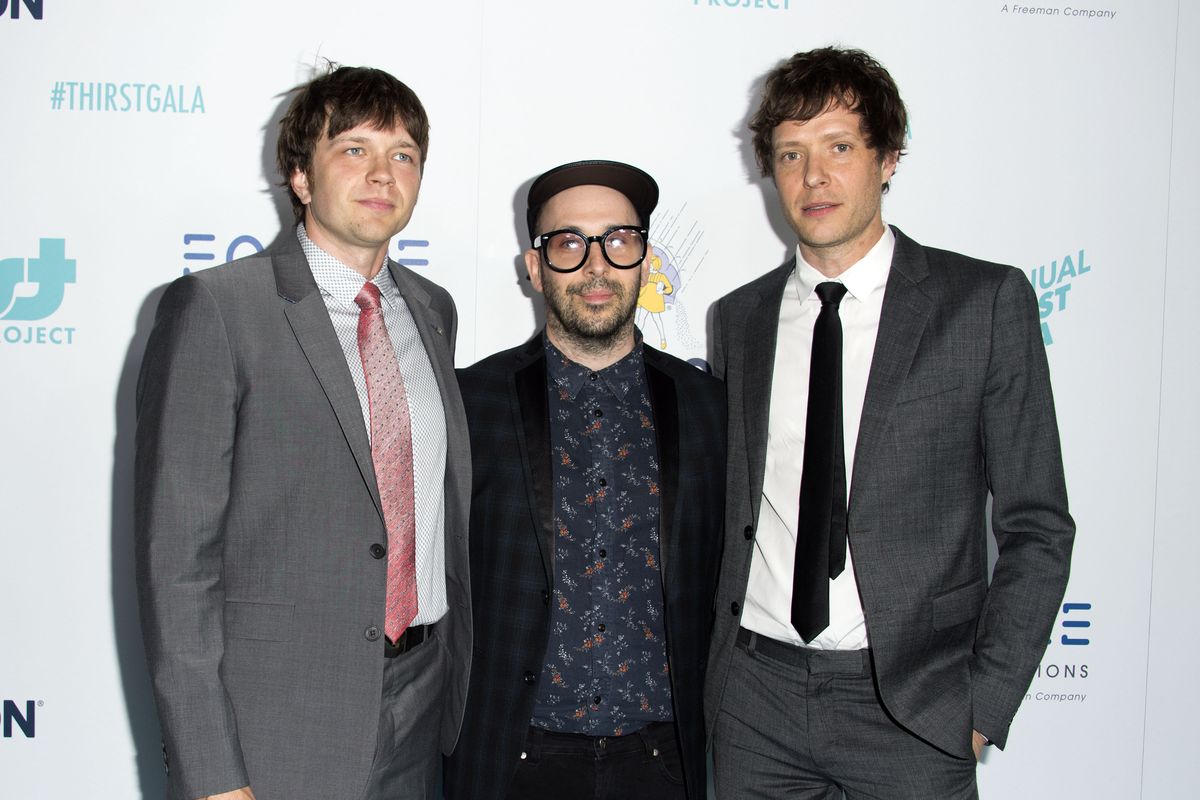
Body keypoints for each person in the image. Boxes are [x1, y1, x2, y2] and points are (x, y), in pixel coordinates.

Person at [705, 47, 1075, 798]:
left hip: (915, 709)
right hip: (755, 703)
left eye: (839, 147)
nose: (814, 178)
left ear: (889, 157)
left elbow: (1038, 525)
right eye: (791, 154)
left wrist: (983, 704)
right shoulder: (738, 320)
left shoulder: (983, 304)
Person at [134, 65, 471, 800]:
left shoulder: (433, 311)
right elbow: (177, 566)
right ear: (299, 173)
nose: (383, 173)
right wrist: (211, 774)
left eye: (403, 155)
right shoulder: (217, 310)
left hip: (421, 699)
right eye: (354, 149)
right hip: (276, 721)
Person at [444, 160, 725, 800]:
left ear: (645, 260)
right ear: (535, 266)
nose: (596, 266)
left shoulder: (710, 409)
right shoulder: (469, 403)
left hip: (666, 762)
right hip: (511, 761)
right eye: (568, 243)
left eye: (618, 240)